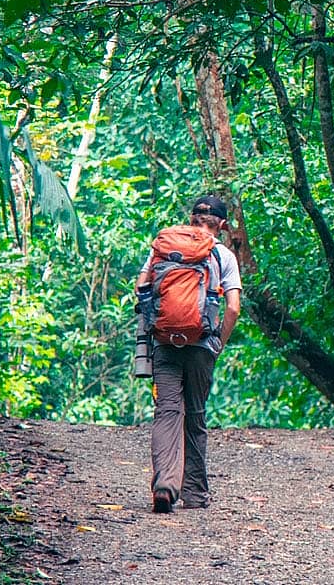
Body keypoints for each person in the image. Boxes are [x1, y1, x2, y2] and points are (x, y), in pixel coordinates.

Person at [136, 195, 242, 513]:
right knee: (194, 415)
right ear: (221, 225)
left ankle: (165, 486)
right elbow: (234, 308)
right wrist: (217, 343)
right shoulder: (221, 254)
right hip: (201, 345)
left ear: (191, 218)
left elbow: (141, 289)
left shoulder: (165, 247)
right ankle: (194, 493)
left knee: (167, 412)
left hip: (165, 342)